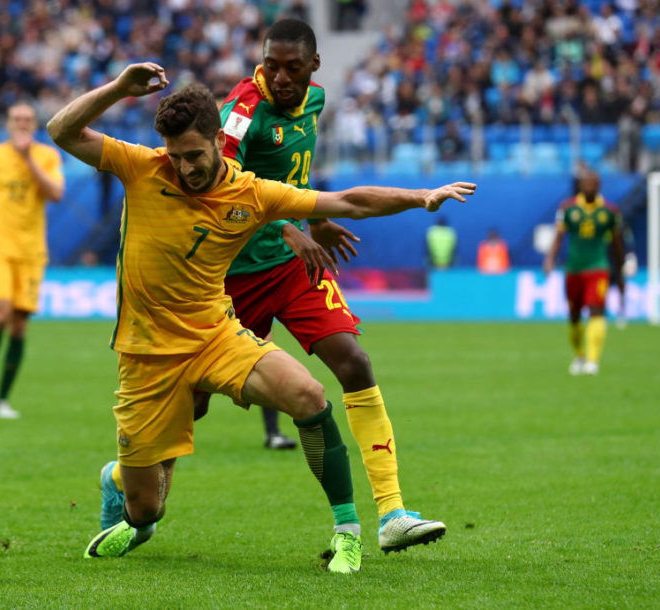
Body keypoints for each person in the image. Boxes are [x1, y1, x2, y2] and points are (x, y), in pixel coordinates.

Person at [46, 62, 475, 572]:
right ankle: (119, 486)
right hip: (145, 356)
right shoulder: (141, 167)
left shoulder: (251, 193)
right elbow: (61, 130)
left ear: (217, 141)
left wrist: (421, 197)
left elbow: (347, 201)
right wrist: (119, 88)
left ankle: (348, 533)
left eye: (194, 156)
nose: (184, 168)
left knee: (309, 395)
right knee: (146, 510)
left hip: (216, 337)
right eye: (176, 157)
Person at [0, 102, 65, 418]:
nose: (22, 123)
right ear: (8, 124)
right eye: (16, 119)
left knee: (19, 326)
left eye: (27, 119)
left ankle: (2, 401)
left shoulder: (47, 156)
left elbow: (55, 194)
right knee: (1, 313)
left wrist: (27, 158)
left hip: (32, 251)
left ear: (34, 124)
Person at [543, 170, 623, 376]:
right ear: (580, 185)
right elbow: (559, 236)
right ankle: (579, 355)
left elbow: (617, 243)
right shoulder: (567, 208)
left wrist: (619, 267)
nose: (589, 185)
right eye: (586, 182)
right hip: (574, 268)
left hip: (598, 267)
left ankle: (593, 360)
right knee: (574, 316)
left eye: (593, 182)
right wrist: (550, 259)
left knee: (596, 310)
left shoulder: (610, 211)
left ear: (599, 185)